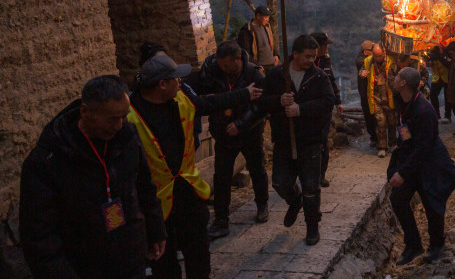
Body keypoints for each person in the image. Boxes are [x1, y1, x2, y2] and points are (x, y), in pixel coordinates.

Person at [20, 75, 166, 279]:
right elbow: (39, 237)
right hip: (83, 267)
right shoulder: (47, 161)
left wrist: (156, 229)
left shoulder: (127, 137)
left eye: (124, 116)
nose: (118, 125)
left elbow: (145, 188)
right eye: (111, 119)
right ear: (85, 112)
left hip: (130, 259)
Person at [128, 55, 260, 279]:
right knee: (163, 259)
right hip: (154, 201)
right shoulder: (130, 117)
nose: (180, 83)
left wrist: (243, 94)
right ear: (162, 84)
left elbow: (208, 103)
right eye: (176, 79)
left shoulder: (181, 98)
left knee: (198, 251)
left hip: (188, 189)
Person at [263, 35, 335, 246]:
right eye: (307, 56)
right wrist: (279, 101)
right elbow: (262, 102)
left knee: (311, 188)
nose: (312, 60)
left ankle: (312, 228)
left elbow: (327, 101)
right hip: (284, 140)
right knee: (280, 182)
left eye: (314, 56)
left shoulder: (319, 77)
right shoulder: (277, 75)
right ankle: (295, 201)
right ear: (295, 54)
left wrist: (300, 109)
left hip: (310, 140)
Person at [195, 40, 269, 240]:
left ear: (238, 59)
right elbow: (204, 94)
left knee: (257, 169)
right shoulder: (213, 69)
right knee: (221, 176)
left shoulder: (254, 74)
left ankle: (262, 204)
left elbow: (261, 108)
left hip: (249, 132)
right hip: (223, 132)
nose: (224, 69)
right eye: (222, 66)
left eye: (228, 66)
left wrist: (241, 124)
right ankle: (221, 220)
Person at [388, 67, 455, 265]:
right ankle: (413, 245)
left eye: (397, 77)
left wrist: (402, 173)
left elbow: (424, 147)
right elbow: (405, 135)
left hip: (430, 163)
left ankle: (437, 245)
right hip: (413, 160)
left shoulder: (423, 110)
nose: (393, 79)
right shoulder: (402, 103)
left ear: (403, 83)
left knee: (432, 205)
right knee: (398, 199)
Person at [311, 32, 342, 188]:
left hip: (324, 107)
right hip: (309, 108)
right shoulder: (306, 61)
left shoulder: (326, 60)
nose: (327, 47)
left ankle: (321, 174)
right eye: (325, 44)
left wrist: (338, 101)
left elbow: (331, 80)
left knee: (323, 142)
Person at [362, 43, 397, 158]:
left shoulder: (391, 61)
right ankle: (382, 147)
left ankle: (392, 143)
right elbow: (361, 71)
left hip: (389, 97)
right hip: (376, 97)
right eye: (375, 56)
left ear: (384, 53)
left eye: (380, 55)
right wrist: (362, 73)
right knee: (380, 122)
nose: (377, 58)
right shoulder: (368, 62)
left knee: (392, 122)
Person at [237, 5, 280, 74]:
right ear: (258, 16)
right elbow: (245, 52)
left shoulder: (267, 26)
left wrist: (276, 54)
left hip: (271, 65)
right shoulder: (247, 31)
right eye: (265, 17)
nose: (267, 19)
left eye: (268, 17)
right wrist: (256, 65)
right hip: (260, 67)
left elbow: (270, 43)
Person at [356, 39, 378, 146]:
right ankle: (374, 137)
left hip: (372, 91)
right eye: (372, 50)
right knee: (369, 116)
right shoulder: (362, 61)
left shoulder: (368, 58)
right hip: (365, 93)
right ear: (366, 52)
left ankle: (377, 136)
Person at [429, 46, 449, 119]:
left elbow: (448, 62)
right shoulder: (431, 53)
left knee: (447, 97)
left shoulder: (445, 52)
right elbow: (429, 62)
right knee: (433, 95)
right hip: (437, 77)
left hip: (446, 77)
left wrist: (441, 54)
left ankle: (448, 115)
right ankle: (436, 114)